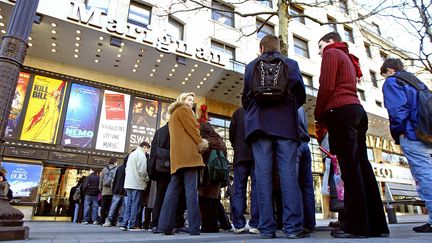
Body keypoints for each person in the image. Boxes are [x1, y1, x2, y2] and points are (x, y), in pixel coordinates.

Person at [314, 31, 389, 238]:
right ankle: (377, 225)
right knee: (363, 167)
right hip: (357, 111)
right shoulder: (347, 57)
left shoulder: (332, 53)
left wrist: (318, 113)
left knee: (349, 171)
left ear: (330, 42)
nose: (320, 52)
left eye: (320, 47)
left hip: (340, 112)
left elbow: (327, 86)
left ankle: (356, 226)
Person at [242, 34, 306, 239]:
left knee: (262, 176)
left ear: (261, 48)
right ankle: (293, 228)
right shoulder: (291, 64)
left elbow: (245, 97)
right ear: (279, 48)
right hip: (285, 126)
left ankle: (267, 229)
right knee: (288, 175)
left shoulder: (251, 66)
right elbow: (301, 95)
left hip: (259, 126)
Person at [380, 58, 432, 233]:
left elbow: (397, 111)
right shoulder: (417, 82)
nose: (385, 77)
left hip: (412, 133)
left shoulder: (393, 82)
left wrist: (398, 132)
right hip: (427, 133)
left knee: (424, 175)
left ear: (389, 70)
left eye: (384, 74)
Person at [157, 92, 208, 236]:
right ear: (182, 100)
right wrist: (201, 143)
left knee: (171, 193)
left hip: (177, 159)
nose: (191, 102)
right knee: (191, 192)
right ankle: (194, 227)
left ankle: (164, 226)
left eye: (192, 100)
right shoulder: (185, 110)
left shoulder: (173, 115)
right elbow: (193, 129)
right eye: (188, 99)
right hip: (189, 157)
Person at [147, 123, 187, 233]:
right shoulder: (179, 129)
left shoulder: (160, 131)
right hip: (175, 167)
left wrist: (152, 170)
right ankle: (176, 223)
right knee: (177, 196)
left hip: (161, 168)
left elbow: (153, 151)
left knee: (160, 196)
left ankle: (155, 223)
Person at [228, 107, 259, 234]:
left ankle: (238, 224)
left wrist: (237, 146)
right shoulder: (258, 110)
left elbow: (231, 134)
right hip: (256, 155)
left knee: (239, 190)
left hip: (240, 155)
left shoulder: (237, 113)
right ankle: (255, 224)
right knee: (256, 190)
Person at [198, 121, 229, 233]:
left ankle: (208, 226)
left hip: (207, 173)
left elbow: (200, 153)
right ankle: (217, 225)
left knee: (204, 199)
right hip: (219, 173)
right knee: (214, 199)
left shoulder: (205, 141)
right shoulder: (220, 141)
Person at [121, 141, 150, 231]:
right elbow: (142, 171)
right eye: (147, 149)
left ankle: (124, 224)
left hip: (128, 183)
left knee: (128, 205)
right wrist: (146, 179)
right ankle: (133, 224)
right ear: (145, 147)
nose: (147, 151)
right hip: (137, 184)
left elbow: (126, 169)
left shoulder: (132, 154)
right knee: (135, 205)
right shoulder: (141, 155)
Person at [297, 106, 316, 232]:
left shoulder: (287, 102)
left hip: (295, 144)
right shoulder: (302, 109)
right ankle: (310, 222)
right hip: (306, 145)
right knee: (307, 186)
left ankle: (300, 222)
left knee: (294, 183)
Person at [103, 154, 129, 227]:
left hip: (117, 190)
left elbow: (114, 180)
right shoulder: (128, 169)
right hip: (124, 190)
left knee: (113, 207)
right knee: (123, 207)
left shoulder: (119, 168)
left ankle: (109, 220)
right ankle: (119, 221)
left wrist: (113, 189)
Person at [99, 158, 117, 225]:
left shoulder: (104, 169)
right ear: (115, 162)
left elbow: (101, 179)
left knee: (103, 206)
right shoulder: (116, 169)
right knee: (111, 207)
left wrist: (100, 188)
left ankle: (102, 220)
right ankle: (109, 221)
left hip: (104, 191)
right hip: (112, 191)